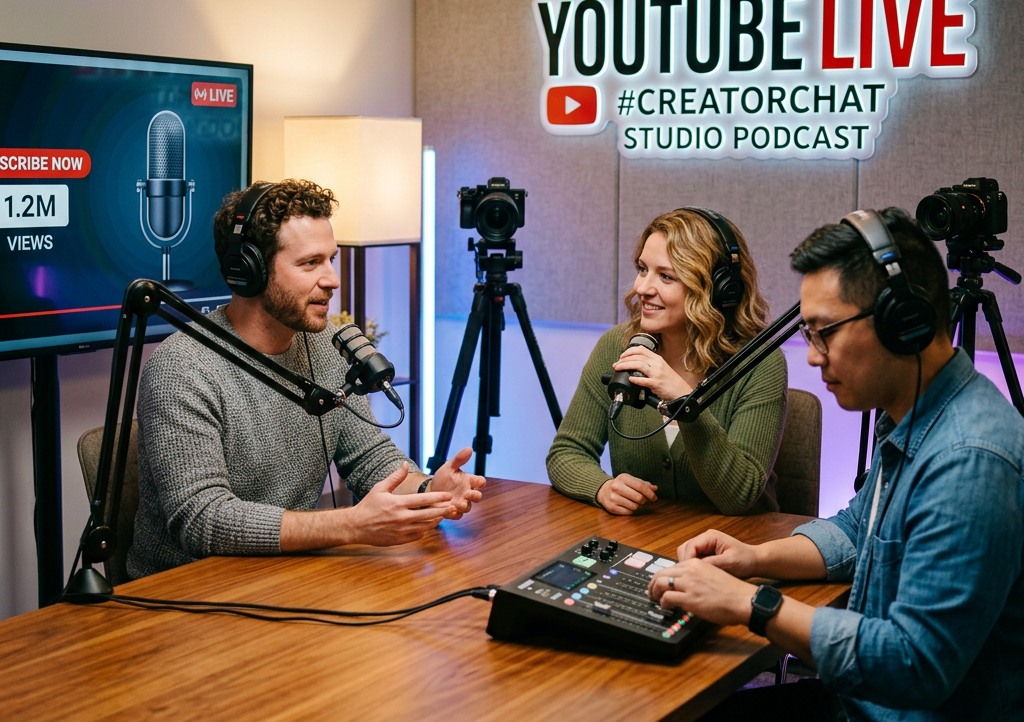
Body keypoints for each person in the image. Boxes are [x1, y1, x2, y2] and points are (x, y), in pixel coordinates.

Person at [647, 208, 1024, 722]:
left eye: (824, 332)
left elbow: (913, 662)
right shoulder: (916, 419)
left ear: (902, 323)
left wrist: (752, 604)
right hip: (872, 712)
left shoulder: (969, 458)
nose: (813, 357)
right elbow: (855, 530)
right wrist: (752, 557)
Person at [128, 179, 484, 579]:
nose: (332, 279)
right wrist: (350, 525)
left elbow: (371, 460)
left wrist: (428, 492)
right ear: (249, 271)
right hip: (182, 595)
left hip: (285, 578)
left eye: (331, 259)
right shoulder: (183, 366)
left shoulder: (328, 347)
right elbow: (204, 519)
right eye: (310, 263)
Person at [546, 207, 787, 517]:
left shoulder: (760, 363)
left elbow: (739, 496)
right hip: (647, 541)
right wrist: (601, 488)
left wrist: (684, 401)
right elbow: (566, 453)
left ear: (715, 289)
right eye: (642, 269)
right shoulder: (616, 348)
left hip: (736, 550)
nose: (642, 288)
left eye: (666, 276)